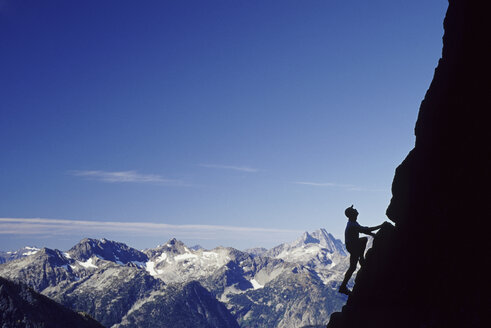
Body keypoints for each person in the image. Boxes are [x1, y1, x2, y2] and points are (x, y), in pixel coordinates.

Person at [338, 205, 382, 295]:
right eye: (354, 210)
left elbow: (364, 230)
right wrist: (381, 226)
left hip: (351, 245)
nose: (356, 210)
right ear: (352, 214)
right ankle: (361, 258)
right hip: (353, 246)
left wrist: (372, 234)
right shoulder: (352, 225)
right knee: (364, 240)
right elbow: (365, 230)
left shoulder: (353, 222)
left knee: (352, 267)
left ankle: (343, 287)